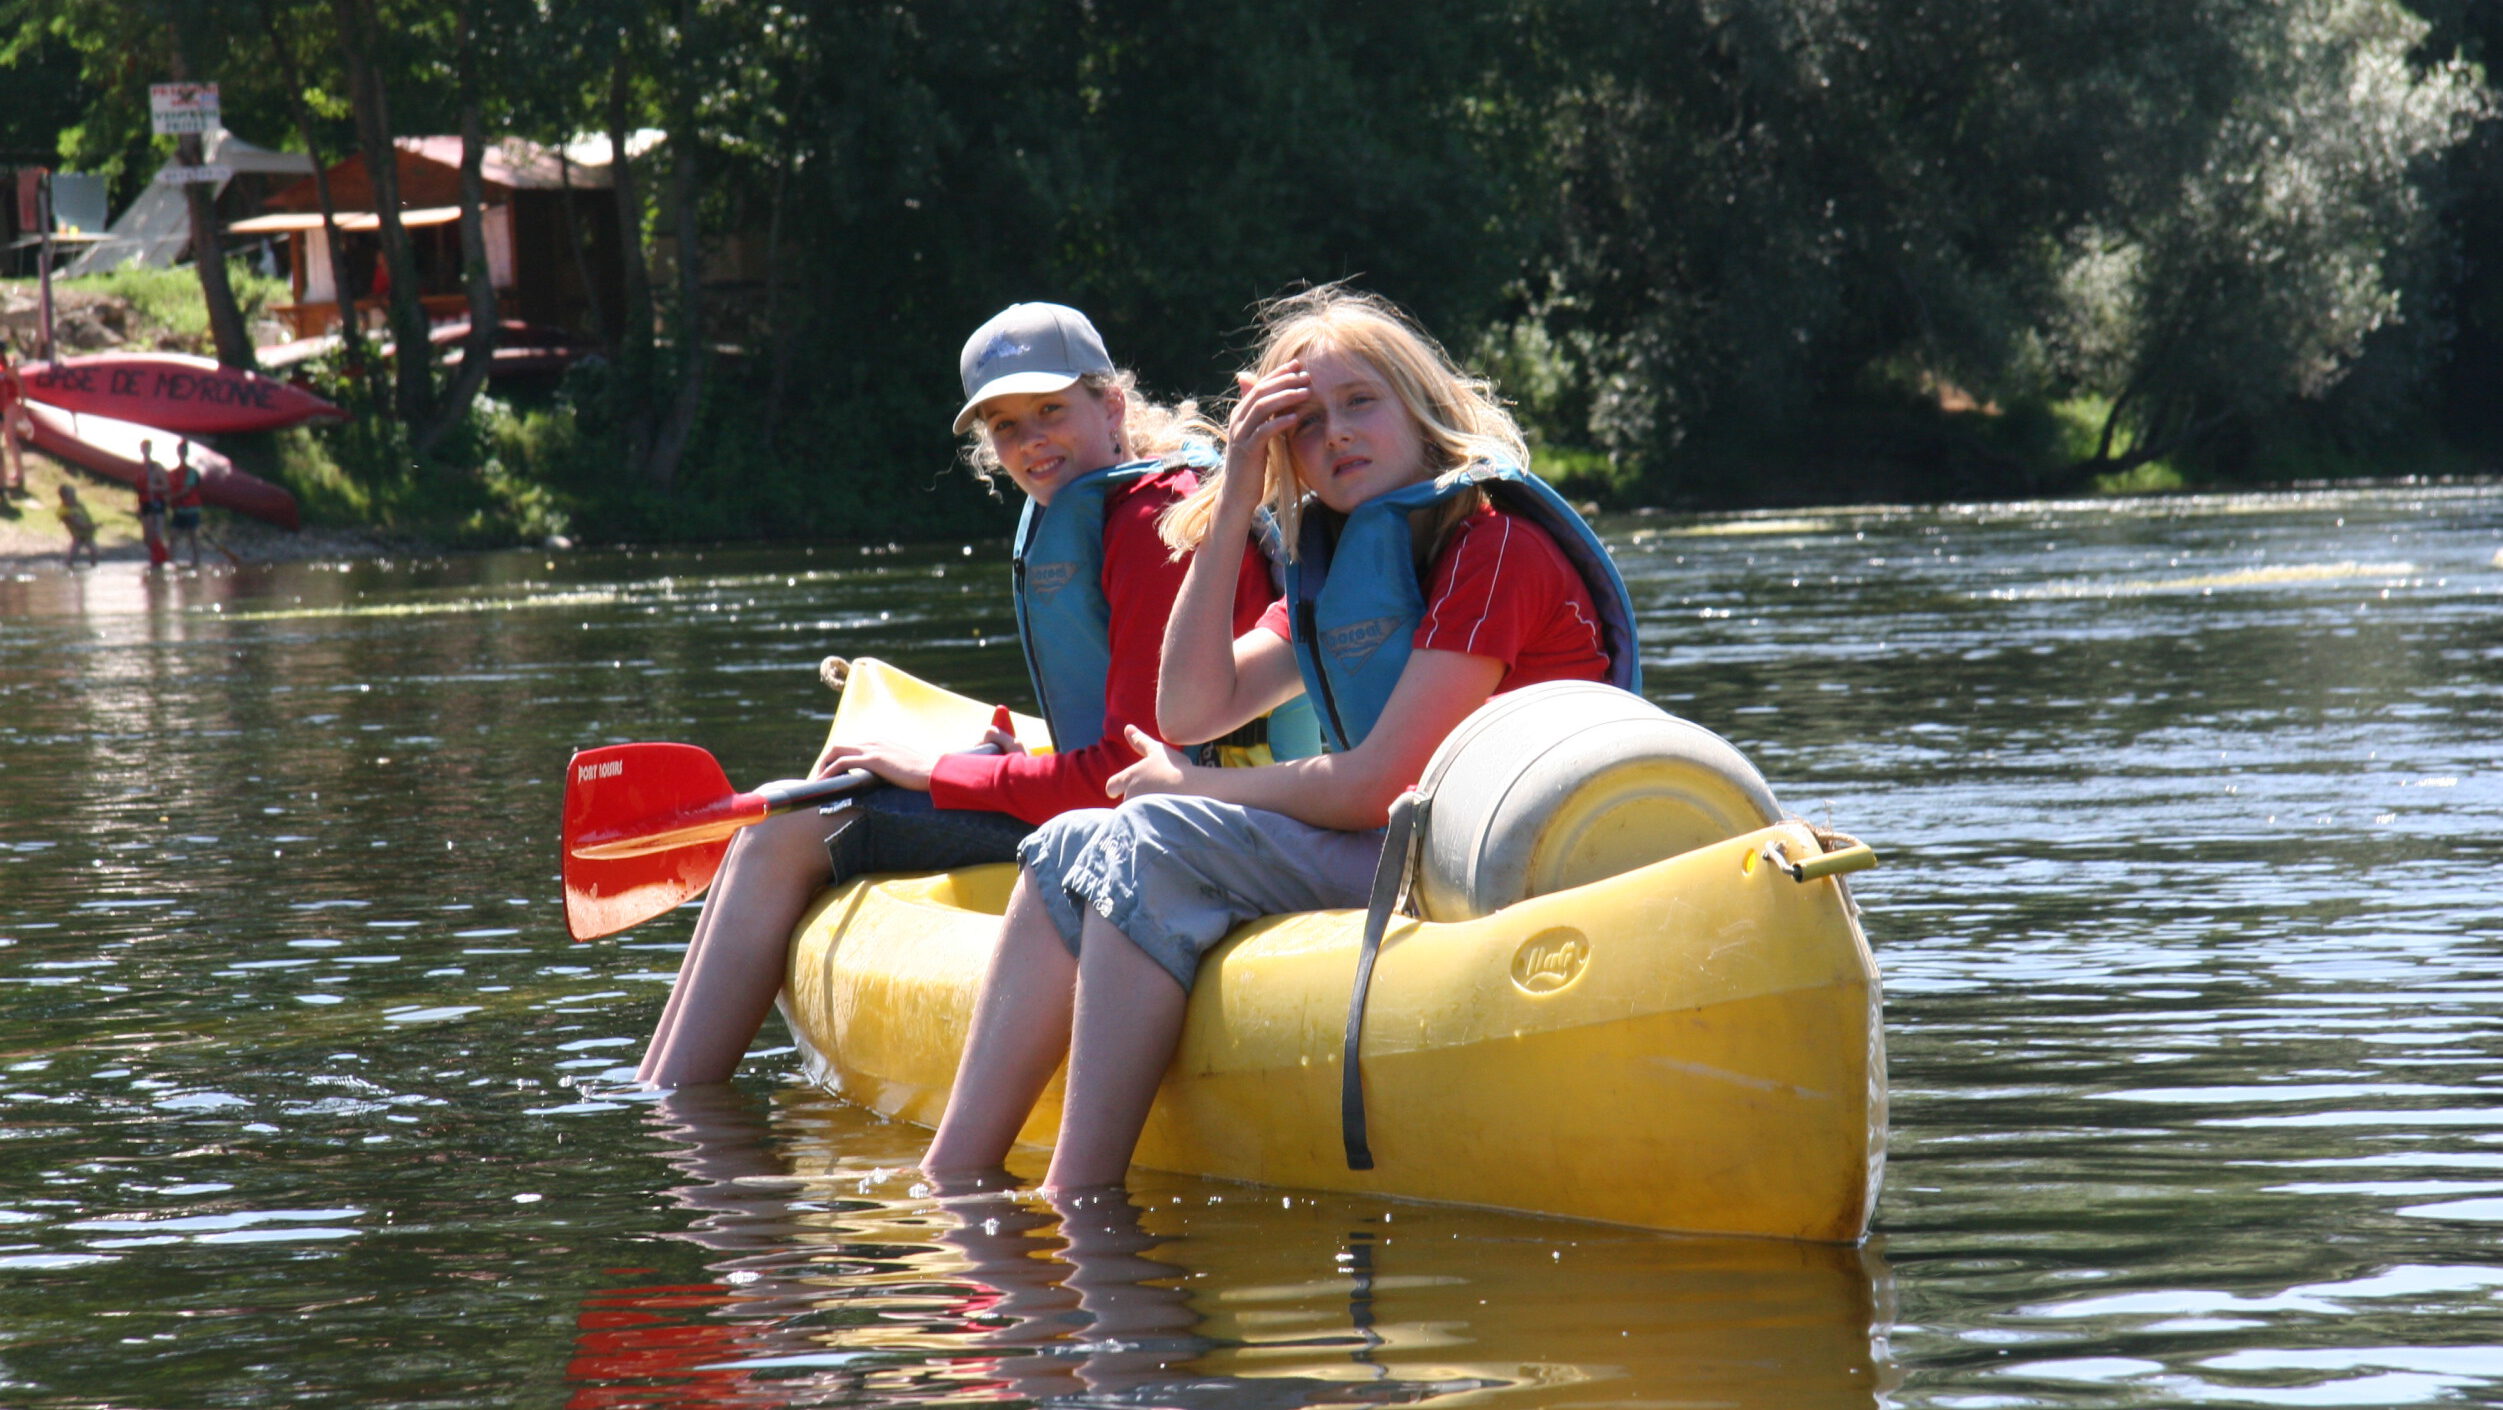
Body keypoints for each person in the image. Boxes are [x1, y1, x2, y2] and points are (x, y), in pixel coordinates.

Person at [923, 286, 1631, 1191]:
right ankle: (953, 1184)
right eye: (1304, 424)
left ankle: (1079, 1203)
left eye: (1359, 403)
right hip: (1402, 847)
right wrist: (1232, 505)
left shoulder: (1493, 548)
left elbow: (1372, 787)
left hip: (1497, 865)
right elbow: (1189, 709)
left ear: (1421, 411)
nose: (1333, 434)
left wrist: (1193, 790)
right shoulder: (1344, 564)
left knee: (1149, 836)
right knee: (1065, 842)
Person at [635, 303, 1272, 1087]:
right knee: (781, 813)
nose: (1030, 441)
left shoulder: (1148, 524)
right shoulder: (1116, 504)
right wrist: (977, 763)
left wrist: (938, 773)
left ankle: (671, 1115)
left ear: (1110, 405)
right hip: (1138, 800)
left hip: (1182, 823)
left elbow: (1122, 777)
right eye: (1004, 426)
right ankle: (655, 1090)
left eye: (1049, 411)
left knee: (781, 834)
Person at [168, 439, 206, 568]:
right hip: (179, 510)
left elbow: (186, 491)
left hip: (191, 510)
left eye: (184, 451)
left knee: (192, 536)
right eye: (180, 451)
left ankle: (196, 561)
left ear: (186, 453)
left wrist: (170, 498)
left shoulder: (191, 472)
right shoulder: (174, 473)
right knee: (173, 535)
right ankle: (170, 560)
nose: (182, 454)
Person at [135, 440, 171, 568]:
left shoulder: (156, 467)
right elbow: (139, 490)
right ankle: (155, 557)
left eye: (147, 448)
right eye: (143, 448)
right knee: (147, 537)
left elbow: (166, 486)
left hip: (156, 503)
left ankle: (160, 559)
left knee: (156, 534)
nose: (145, 451)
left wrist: (154, 488)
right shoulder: (141, 468)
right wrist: (138, 506)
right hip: (144, 503)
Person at [57, 482, 98, 568]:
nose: (74, 499)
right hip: (78, 534)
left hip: (87, 533)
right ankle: (67, 564)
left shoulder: (78, 505)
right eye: (71, 497)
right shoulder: (65, 511)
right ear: (64, 499)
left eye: (74, 496)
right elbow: (78, 524)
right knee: (74, 551)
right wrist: (92, 526)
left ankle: (93, 566)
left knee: (94, 551)